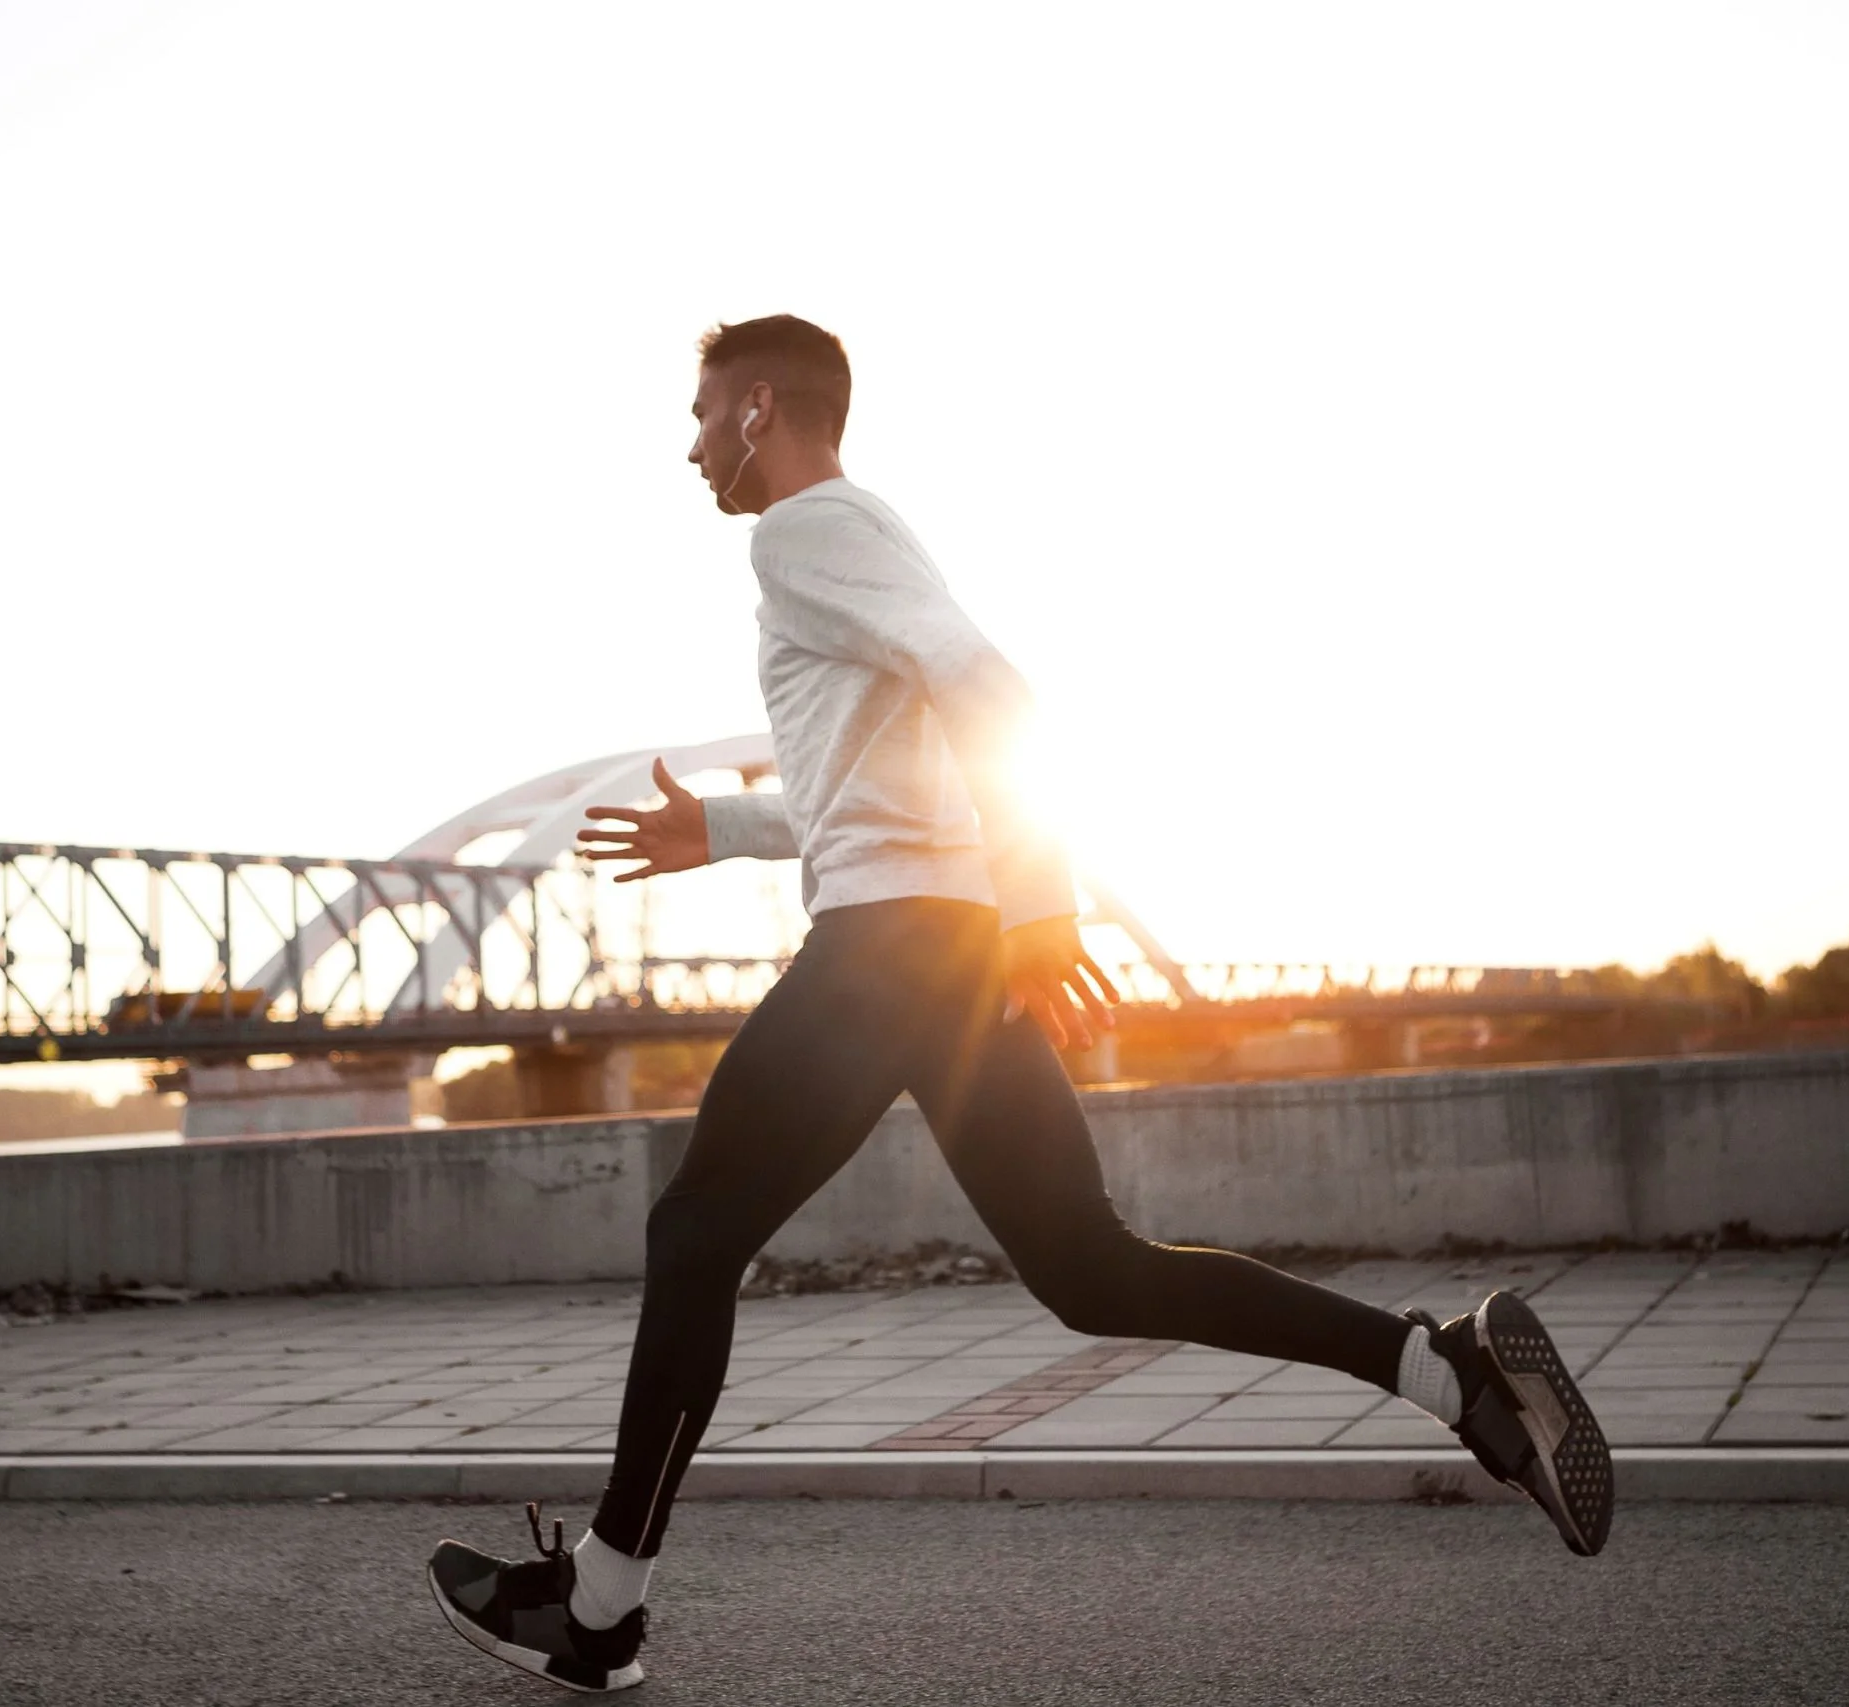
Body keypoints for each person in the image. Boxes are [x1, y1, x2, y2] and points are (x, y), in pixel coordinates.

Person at [427, 315, 1611, 1693]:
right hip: (945, 948)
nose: (687, 445)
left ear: (761, 408)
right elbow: (894, 773)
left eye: (700, 414)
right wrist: (736, 832)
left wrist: (1045, 899)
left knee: (694, 1229)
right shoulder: (860, 539)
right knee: (1094, 1271)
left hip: (889, 951)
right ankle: (1443, 1370)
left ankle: (602, 1604)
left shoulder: (800, 530)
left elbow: (995, 691)